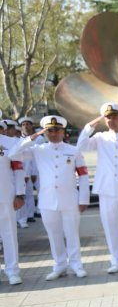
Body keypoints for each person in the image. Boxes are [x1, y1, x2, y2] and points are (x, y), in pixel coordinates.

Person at [10, 116, 90, 280]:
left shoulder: (73, 150)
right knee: (54, 235)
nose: (53, 134)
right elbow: (13, 153)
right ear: (45, 132)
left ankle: (76, 264)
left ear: (63, 131)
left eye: (57, 130)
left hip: (70, 200)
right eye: (49, 130)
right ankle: (60, 265)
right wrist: (32, 137)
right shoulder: (38, 149)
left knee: (72, 233)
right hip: (47, 200)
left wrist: (83, 199)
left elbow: (83, 175)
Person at [77, 103, 118, 273]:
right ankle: (116, 260)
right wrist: (89, 127)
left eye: (114, 117)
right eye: (107, 117)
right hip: (106, 190)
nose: (111, 120)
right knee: (110, 226)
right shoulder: (99, 138)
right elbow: (81, 146)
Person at [0, 120, 25, 285]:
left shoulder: (10, 143)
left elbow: (18, 169)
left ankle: (12, 271)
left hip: (5, 195)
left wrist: (20, 194)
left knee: (9, 234)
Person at [16, 116, 39, 224]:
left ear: (31, 126)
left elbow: (36, 158)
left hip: (37, 170)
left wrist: (34, 172)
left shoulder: (39, 139)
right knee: (25, 194)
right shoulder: (18, 141)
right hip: (22, 172)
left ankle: (32, 213)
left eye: (28, 124)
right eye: (23, 124)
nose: (25, 126)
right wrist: (25, 174)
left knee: (34, 193)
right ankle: (23, 217)